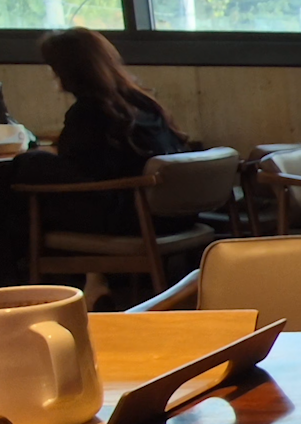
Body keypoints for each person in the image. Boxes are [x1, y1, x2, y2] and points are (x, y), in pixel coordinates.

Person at [11, 28, 190, 297]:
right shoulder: (144, 104)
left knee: (23, 173)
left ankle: (14, 282)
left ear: (69, 71)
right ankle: (91, 280)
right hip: (172, 216)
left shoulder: (90, 112)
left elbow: (82, 173)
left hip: (133, 219)